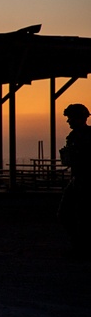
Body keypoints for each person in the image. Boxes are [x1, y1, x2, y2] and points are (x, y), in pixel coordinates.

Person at [59, 103, 91, 259]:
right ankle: (80, 246)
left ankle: (81, 247)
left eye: (70, 118)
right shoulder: (74, 136)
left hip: (84, 180)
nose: (68, 121)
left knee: (79, 214)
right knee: (70, 214)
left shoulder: (84, 136)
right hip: (77, 179)